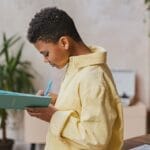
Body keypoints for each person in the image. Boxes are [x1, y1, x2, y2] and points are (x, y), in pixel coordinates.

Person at [26, 7, 123, 150]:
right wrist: (56, 100)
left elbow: (96, 139)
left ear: (64, 42)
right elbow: (82, 108)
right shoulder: (76, 67)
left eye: (46, 54)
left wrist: (53, 116)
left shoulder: (93, 77)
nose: (45, 60)